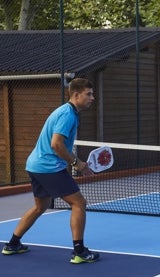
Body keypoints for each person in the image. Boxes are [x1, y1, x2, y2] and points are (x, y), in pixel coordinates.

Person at [2, 78, 101, 263]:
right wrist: (76, 163)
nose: (92, 98)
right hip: (48, 167)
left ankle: (13, 244)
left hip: (35, 165)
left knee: (41, 206)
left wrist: (76, 163)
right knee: (79, 203)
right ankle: (79, 252)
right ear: (76, 95)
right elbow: (56, 144)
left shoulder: (67, 112)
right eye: (89, 94)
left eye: (92, 94)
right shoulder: (68, 115)